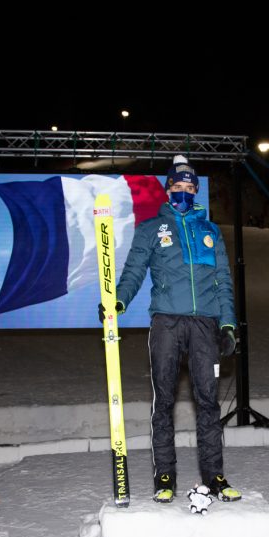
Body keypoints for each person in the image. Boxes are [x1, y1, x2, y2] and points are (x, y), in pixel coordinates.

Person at [110, 155, 239, 503]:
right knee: (163, 401)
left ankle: (215, 477)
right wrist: (118, 301)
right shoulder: (152, 229)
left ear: (196, 190)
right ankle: (164, 477)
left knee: (208, 402)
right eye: (177, 186)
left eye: (188, 186)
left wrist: (227, 324)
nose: (183, 190)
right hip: (166, 321)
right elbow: (134, 271)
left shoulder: (210, 231)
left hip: (205, 324)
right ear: (168, 190)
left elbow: (224, 281)